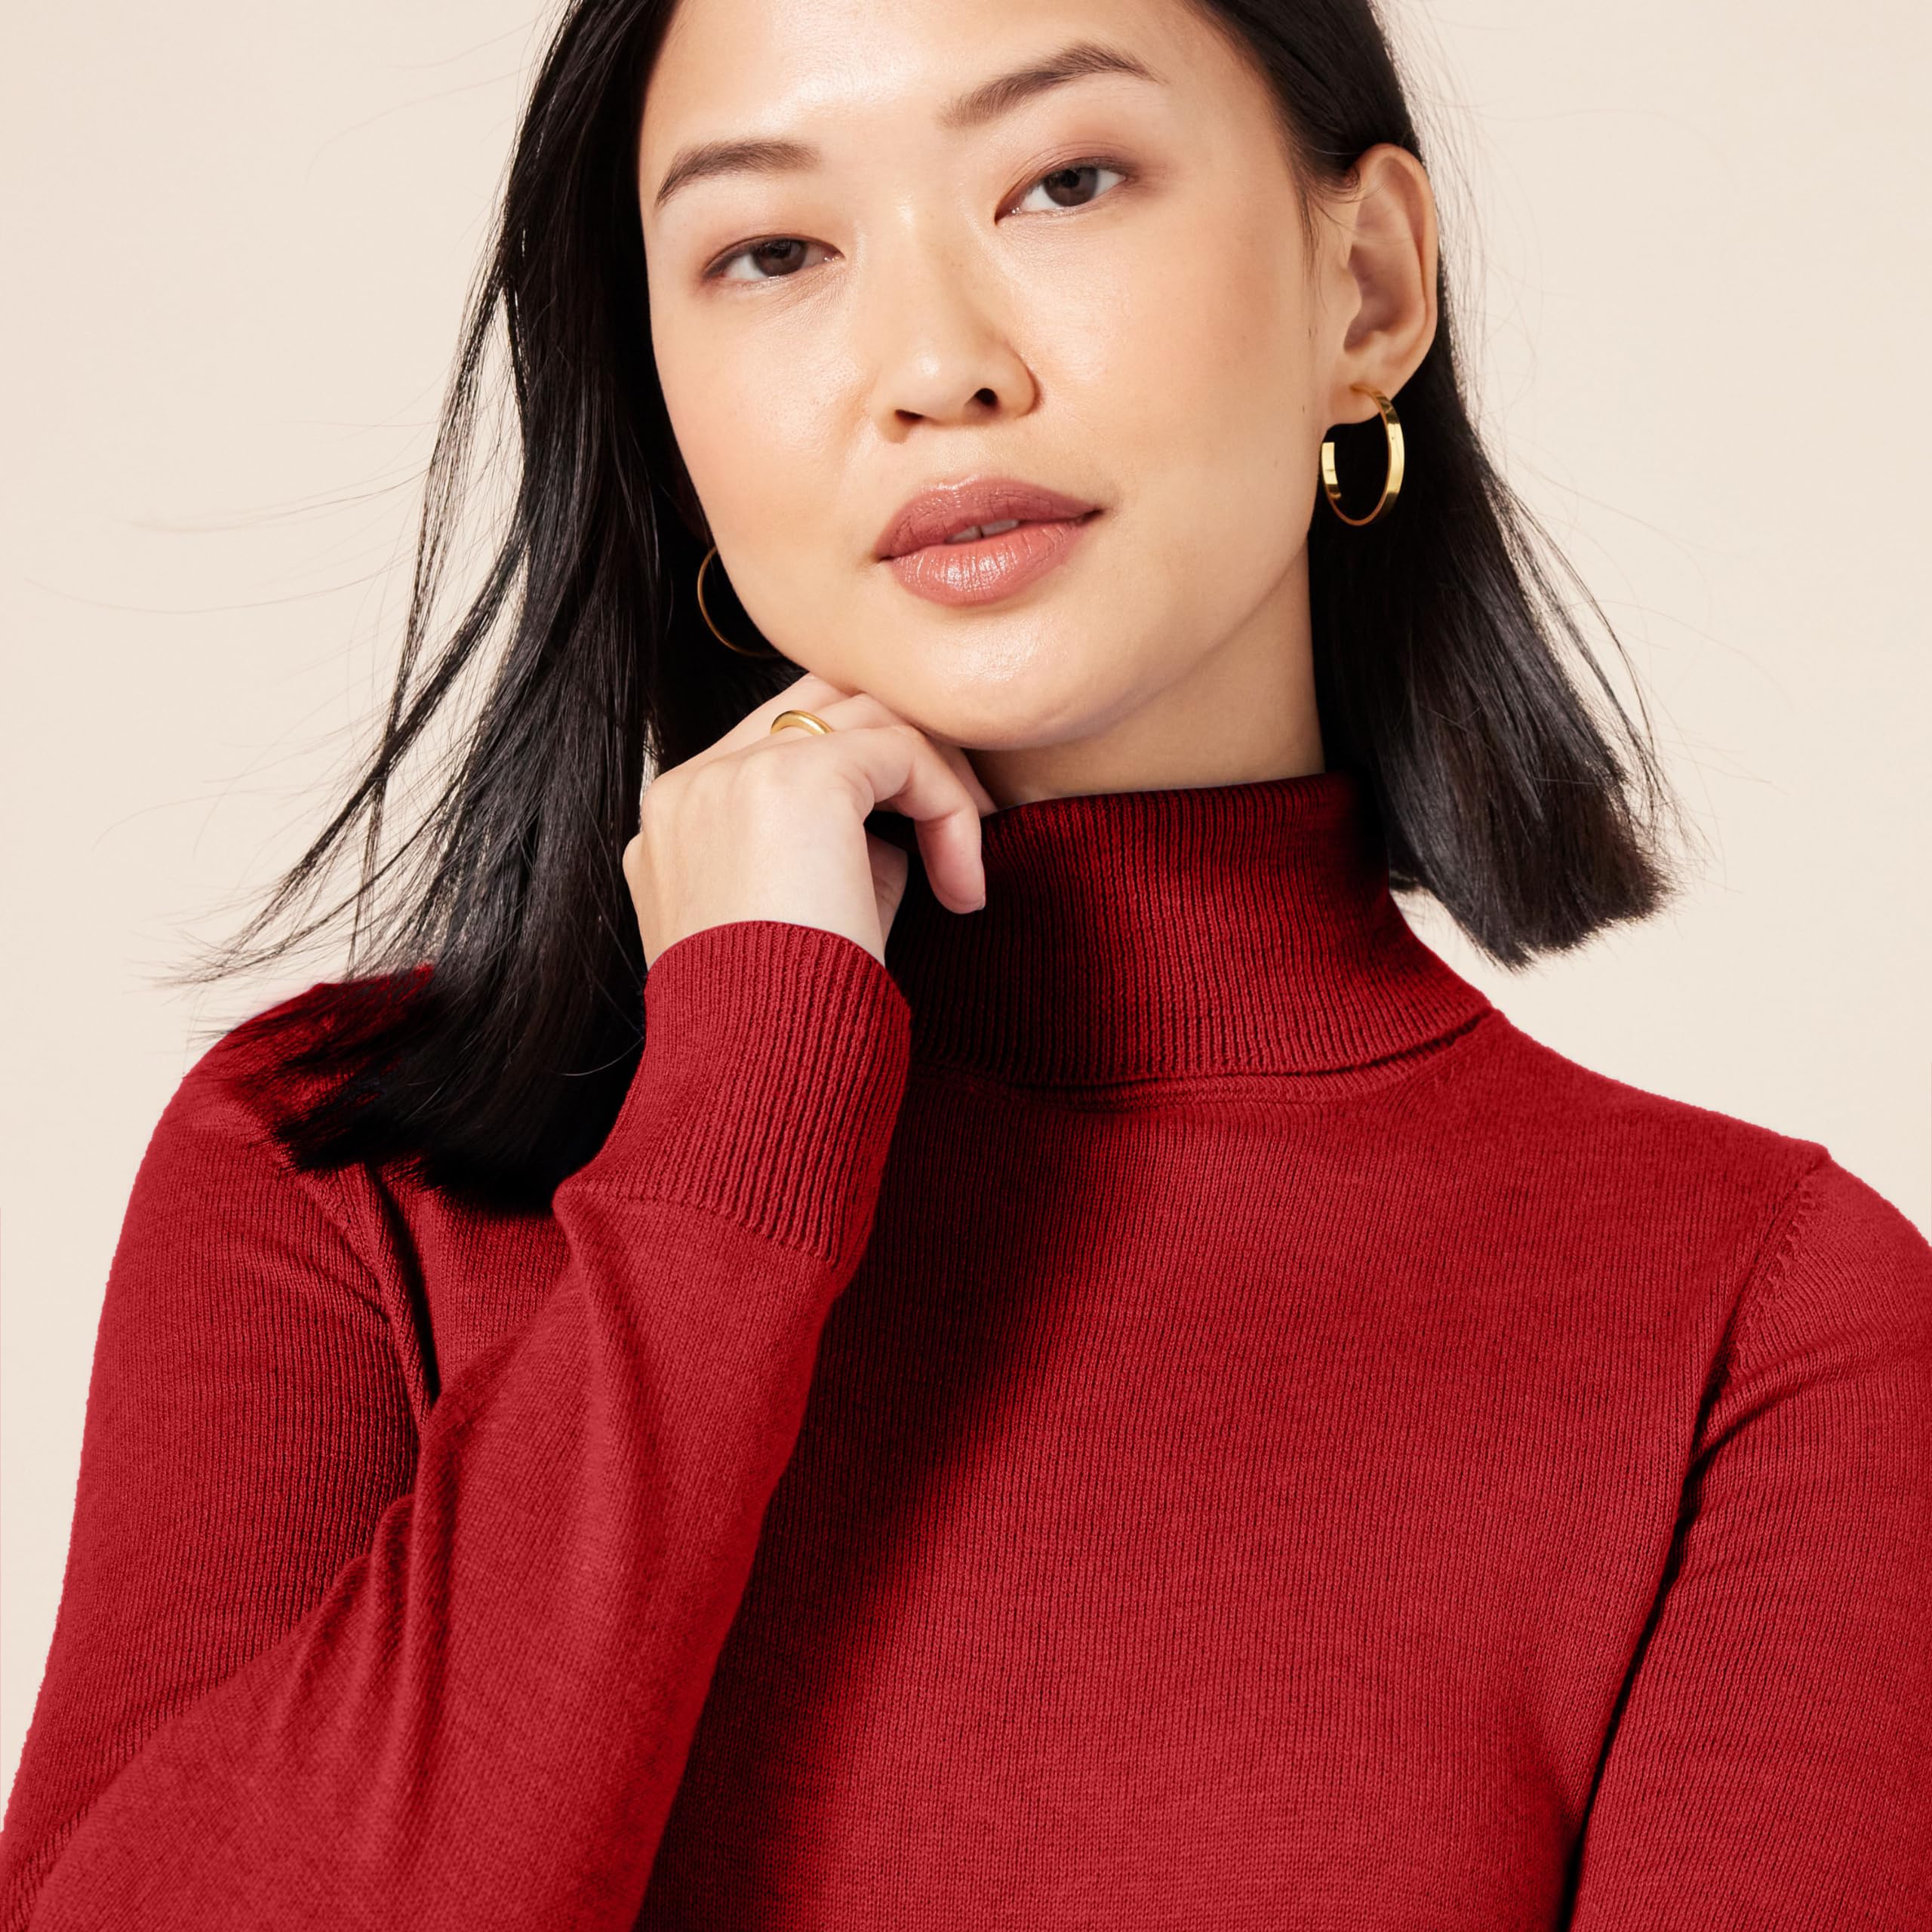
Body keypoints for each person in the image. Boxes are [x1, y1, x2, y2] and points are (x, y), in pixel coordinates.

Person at [4, 0, 1927, 1923]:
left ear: (1366, 288)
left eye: (1065, 180)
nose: (932, 366)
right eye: (772, 251)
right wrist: (732, 1137)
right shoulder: (341, 1179)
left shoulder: (1760, 1329)